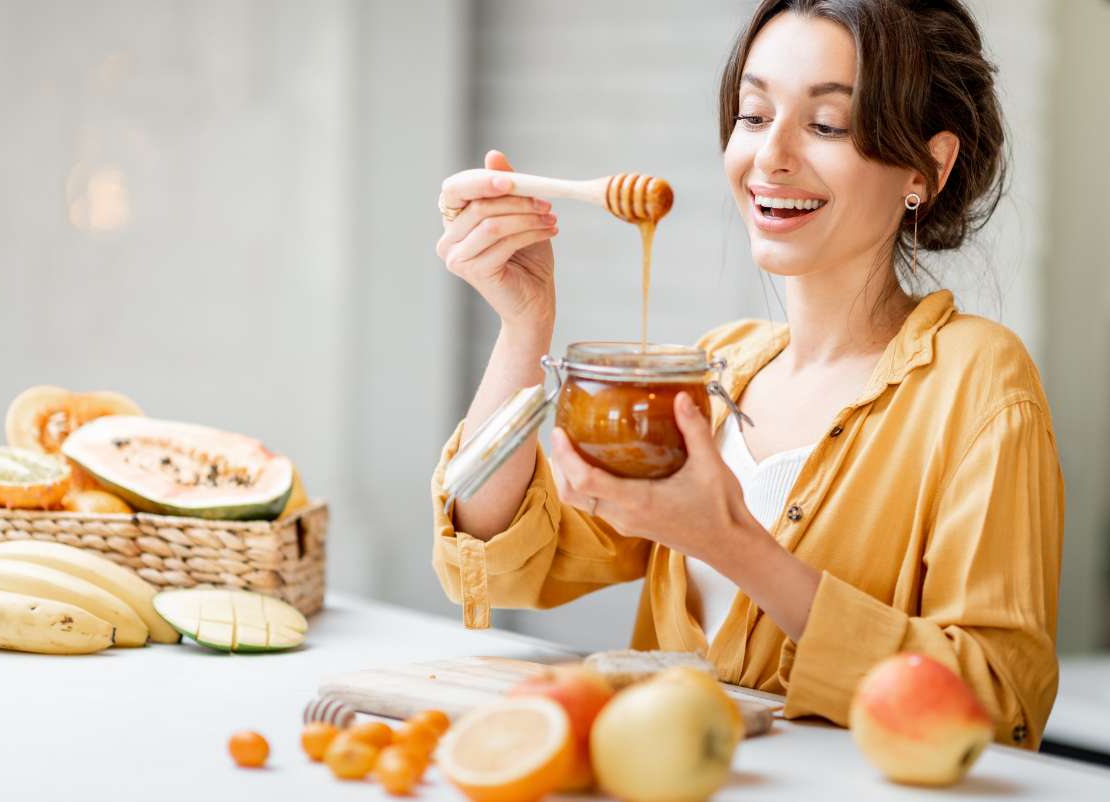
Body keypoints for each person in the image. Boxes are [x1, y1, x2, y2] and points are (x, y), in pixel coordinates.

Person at [429, 0, 1063, 750]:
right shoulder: (717, 367)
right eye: (754, 115)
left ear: (927, 167)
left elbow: (998, 699)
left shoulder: (980, 385)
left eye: (826, 125)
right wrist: (524, 322)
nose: (771, 156)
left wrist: (731, 542)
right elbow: (500, 559)